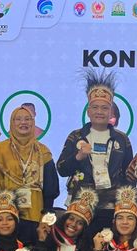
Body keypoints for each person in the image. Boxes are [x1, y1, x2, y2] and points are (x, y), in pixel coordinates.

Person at [57, 68, 133, 233]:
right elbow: (61, 169)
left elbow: (129, 176)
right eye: (95, 107)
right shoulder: (75, 136)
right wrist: (78, 156)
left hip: (111, 205)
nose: (99, 112)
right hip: (80, 204)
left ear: (111, 112)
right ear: (88, 111)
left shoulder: (122, 139)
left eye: (105, 108)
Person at [0, 106, 60, 244]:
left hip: (35, 214)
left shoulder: (43, 151)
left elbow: (51, 189)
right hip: (5, 215)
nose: (23, 122)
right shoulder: (0, 149)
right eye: (18, 119)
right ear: (11, 123)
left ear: (33, 123)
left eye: (28, 119)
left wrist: (46, 217)